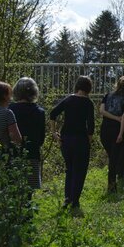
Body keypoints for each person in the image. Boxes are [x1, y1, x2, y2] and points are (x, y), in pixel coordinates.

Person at [50, 76, 94, 215]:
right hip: (80, 139)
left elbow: (52, 113)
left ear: (77, 86)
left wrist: (54, 133)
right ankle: (75, 200)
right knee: (79, 171)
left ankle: (67, 198)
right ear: (88, 88)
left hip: (66, 139)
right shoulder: (88, 103)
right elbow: (91, 125)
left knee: (69, 169)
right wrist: (89, 139)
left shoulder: (68, 99)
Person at [9, 77, 46, 190]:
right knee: (29, 192)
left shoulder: (10, 109)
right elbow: (41, 139)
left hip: (12, 155)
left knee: (12, 190)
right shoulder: (40, 112)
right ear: (34, 92)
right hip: (32, 154)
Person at [100, 76, 124, 192]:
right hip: (117, 130)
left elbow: (102, 111)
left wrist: (113, 117)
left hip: (104, 129)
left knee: (112, 156)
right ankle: (111, 185)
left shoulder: (107, 96)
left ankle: (112, 183)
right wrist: (120, 133)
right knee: (114, 158)